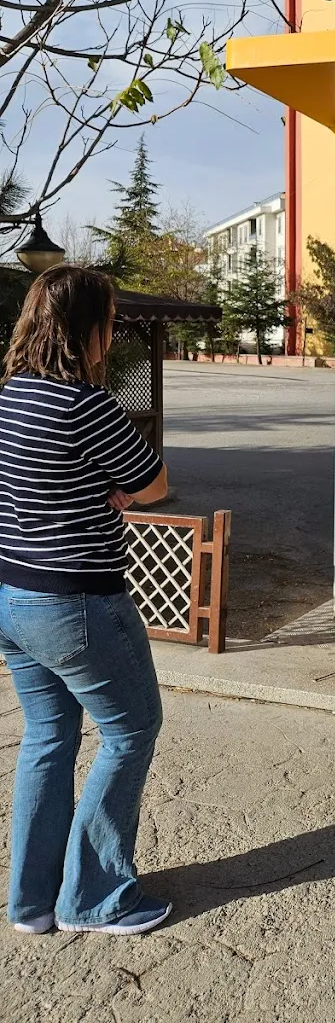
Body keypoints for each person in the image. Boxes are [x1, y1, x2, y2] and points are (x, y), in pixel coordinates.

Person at [0, 266, 170, 936]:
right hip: (77, 604)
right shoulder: (85, 405)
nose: (113, 331)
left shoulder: (10, 394)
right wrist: (124, 491)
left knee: (48, 736)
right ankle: (94, 897)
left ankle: (32, 901)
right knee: (131, 730)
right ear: (85, 328)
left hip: (13, 595)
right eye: (111, 318)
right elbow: (154, 482)